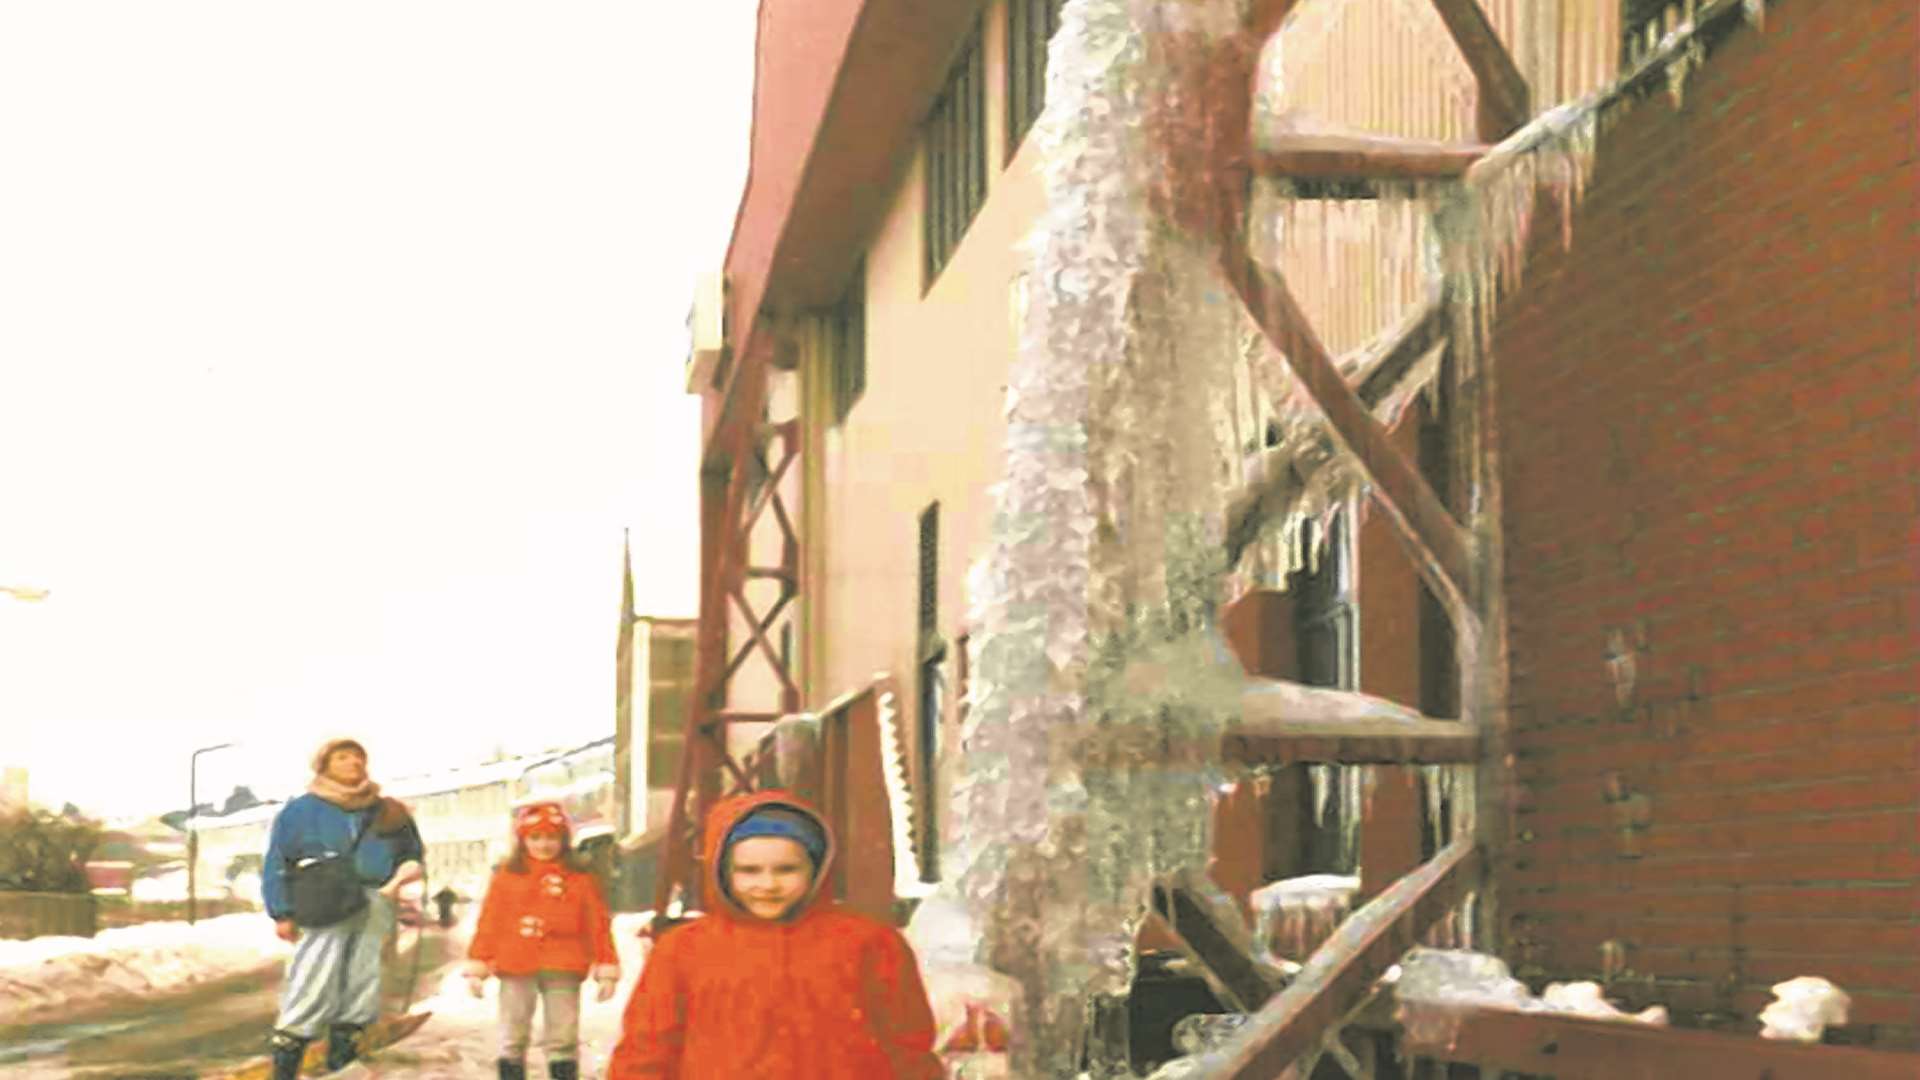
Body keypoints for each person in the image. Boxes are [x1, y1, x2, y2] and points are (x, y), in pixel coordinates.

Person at [608, 790, 942, 1079]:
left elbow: (907, 1044)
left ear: (817, 868)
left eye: (786, 869)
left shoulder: (868, 943)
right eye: (749, 871)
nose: (768, 885)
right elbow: (648, 1046)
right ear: (722, 872)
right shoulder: (684, 950)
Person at [262, 737, 425, 1079]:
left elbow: (412, 852)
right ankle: (287, 1061)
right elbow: (278, 861)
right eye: (343, 757)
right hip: (325, 902)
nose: (353, 763)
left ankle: (343, 1059)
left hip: (376, 900)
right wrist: (281, 911)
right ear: (324, 766)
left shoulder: (387, 810)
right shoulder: (301, 810)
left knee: (364, 978)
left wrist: (399, 880)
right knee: (314, 977)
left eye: (358, 757)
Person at [465, 800, 621, 1080]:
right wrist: (479, 963)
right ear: (522, 840)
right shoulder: (507, 877)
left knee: (563, 1036)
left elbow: (597, 924)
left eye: (552, 837)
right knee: (513, 1034)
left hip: (564, 966)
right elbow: (490, 923)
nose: (544, 844)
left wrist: (606, 967)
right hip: (515, 965)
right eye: (535, 837)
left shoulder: (580, 879)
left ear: (564, 840)